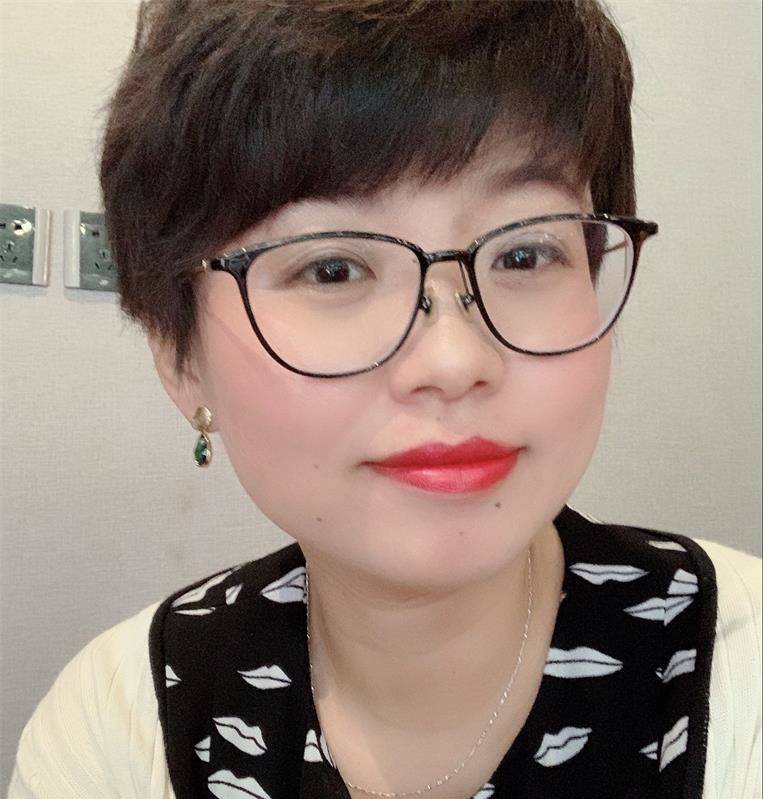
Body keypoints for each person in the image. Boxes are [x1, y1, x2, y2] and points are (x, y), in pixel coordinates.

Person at [8, 1, 761, 798]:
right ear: (179, 355)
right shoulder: (118, 729)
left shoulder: (738, 677)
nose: (453, 360)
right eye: (332, 268)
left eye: (525, 252)